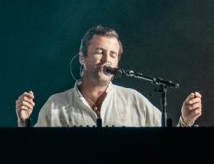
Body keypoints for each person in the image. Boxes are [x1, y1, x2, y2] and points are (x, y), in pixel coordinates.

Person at [15, 25, 202, 127]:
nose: (107, 59)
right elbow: (34, 157)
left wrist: (185, 121)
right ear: (82, 58)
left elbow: (169, 150)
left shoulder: (134, 101)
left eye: (113, 54)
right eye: (100, 52)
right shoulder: (56, 105)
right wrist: (23, 123)